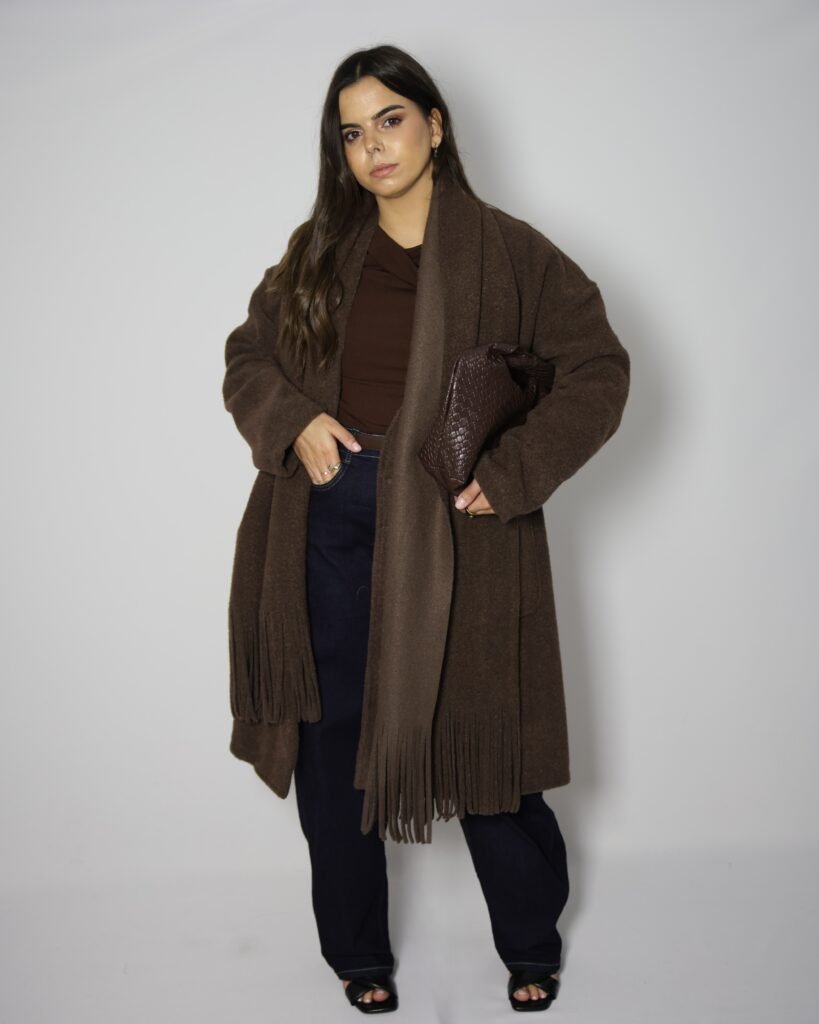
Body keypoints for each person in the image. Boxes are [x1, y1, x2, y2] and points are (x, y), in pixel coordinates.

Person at [222, 44, 630, 1015]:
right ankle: (357, 953)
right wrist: (293, 422)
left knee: (486, 744)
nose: (373, 147)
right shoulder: (317, 253)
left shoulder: (511, 253)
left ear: (435, 125)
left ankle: (529, 942)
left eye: (390, 120)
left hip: (456, 530)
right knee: (332, 744)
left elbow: (598, 370)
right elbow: (247, 355)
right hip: (326, 518)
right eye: (351, 133)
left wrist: (511, 474)